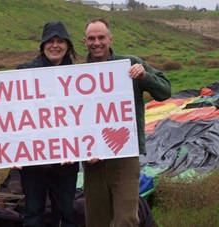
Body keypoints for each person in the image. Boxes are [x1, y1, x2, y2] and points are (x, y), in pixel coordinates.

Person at [82, 17, 171, 227]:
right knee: (96, 221)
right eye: (91, 38)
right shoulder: (77, 75)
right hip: (93, 163)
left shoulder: (130, 64)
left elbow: (165, 92)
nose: (97, 42)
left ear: (110, 39)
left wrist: (145, 76)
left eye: (101, 37)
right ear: (84, 41)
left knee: (126, 220)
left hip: (124, 158)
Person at [16, 21, 79, 227]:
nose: (55, 45)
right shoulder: (23, 72)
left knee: (65, 216)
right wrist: (13, 150)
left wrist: (81, 149)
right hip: (33, 161)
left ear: (68, 45)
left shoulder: (81, 77)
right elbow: (13, 115)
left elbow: (86, 118)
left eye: (60, 41)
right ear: (42, 45)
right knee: (33, 215)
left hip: (67, 162)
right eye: (50, 41)